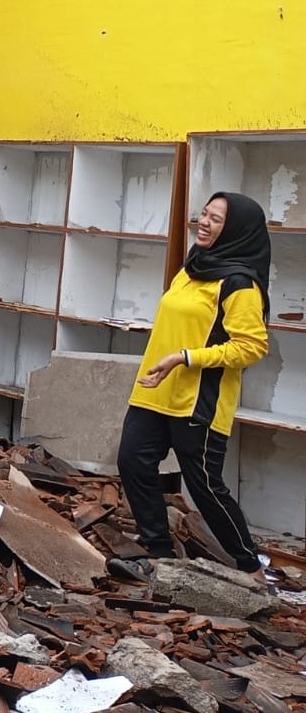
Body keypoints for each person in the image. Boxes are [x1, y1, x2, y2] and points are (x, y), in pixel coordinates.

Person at [110, 192, 272, 585]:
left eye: (216, 219)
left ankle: (250, 566)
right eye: (204, 213)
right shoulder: (192, 267)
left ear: (235, 230)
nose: (204, 222)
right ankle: (160, 555)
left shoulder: (239, 284)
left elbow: (252, 346)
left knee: (203, 485)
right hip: (155, 391)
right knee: (132, 461)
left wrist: (185, 358)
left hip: (199, 400)